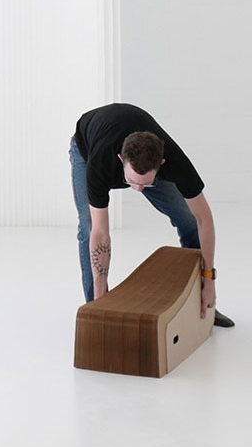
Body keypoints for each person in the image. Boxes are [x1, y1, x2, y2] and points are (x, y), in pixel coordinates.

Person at [70, 103, 233, 328]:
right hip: (86, 148)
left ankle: (202, 302)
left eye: (145, 183)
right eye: (132, 182)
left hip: (136, 150)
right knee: (87, 228)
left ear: (162, 165)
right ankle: (96, 310)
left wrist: (209, 279)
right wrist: (101, 302)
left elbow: (203, 219)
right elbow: (100, 232)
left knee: (187, 219)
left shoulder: (176, 163)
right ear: (120, 159)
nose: (137, 190)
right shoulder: (101, 163)